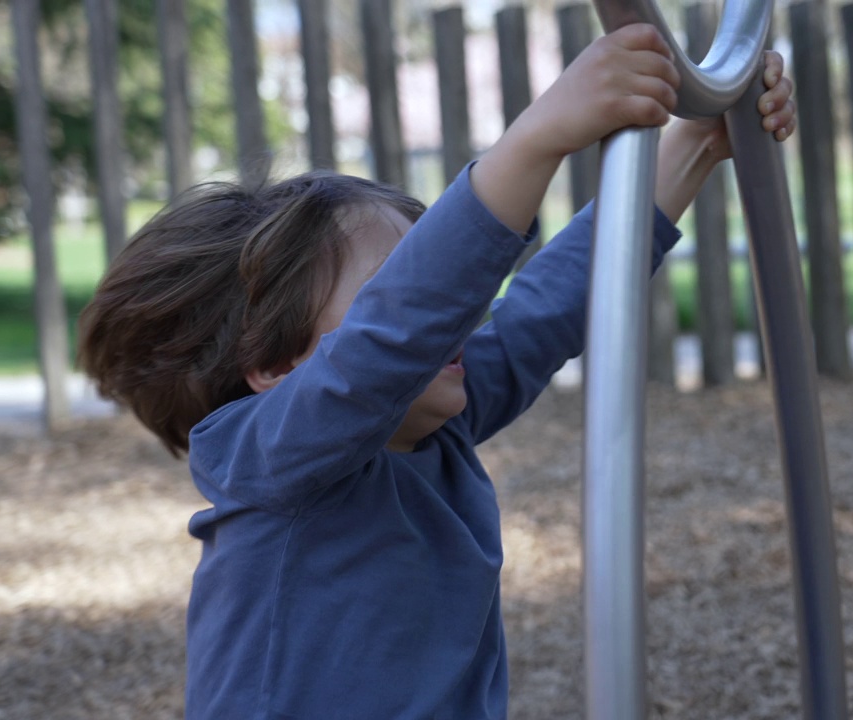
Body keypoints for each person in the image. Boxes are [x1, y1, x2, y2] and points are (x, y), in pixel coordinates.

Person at [79, 24, 795, 719]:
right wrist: (538, 136)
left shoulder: (430, 428)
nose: (457, 312)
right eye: (393, 286)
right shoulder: (272, 458)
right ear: (271, 363)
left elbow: (548, 305)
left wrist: (695, 145)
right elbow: (398, 334)